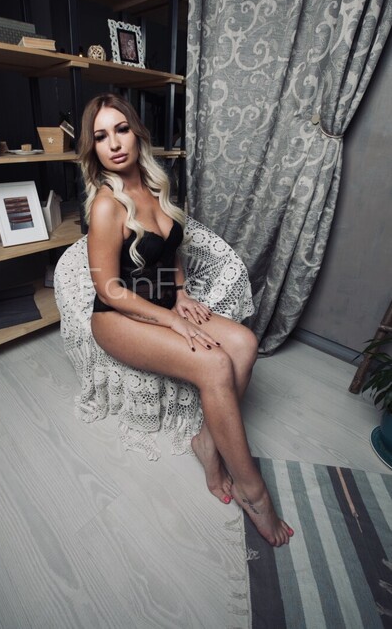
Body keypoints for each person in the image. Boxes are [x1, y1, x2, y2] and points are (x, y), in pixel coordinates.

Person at [79, 93, 294, 547]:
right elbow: (109, 289)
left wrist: (179, 294)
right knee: (215, 364)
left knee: (244, 344)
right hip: (117, 316)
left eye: (121, 129)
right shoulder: (106, 204)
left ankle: (206, 443)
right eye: (100, 136)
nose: (114, 143)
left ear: (137, 134)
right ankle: (254, 493)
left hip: (160, 303)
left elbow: (170, 247)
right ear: (92, 148)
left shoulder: (156, 185)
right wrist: (171, 320)